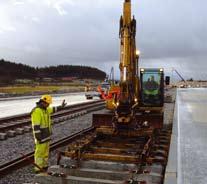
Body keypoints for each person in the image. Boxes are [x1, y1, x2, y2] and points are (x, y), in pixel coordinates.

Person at [31, 94, 67, 173]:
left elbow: (53, 109)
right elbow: (36, 126)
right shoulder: (37, 111)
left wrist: (61, 106)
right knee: (39, 153)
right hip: (41, 137)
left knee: (46, 153)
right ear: (43, 102)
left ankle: (44, 166)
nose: (48, 105)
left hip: (46, 136)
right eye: (47, 103)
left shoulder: (46, 109)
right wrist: (38, 137)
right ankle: (38, 169)